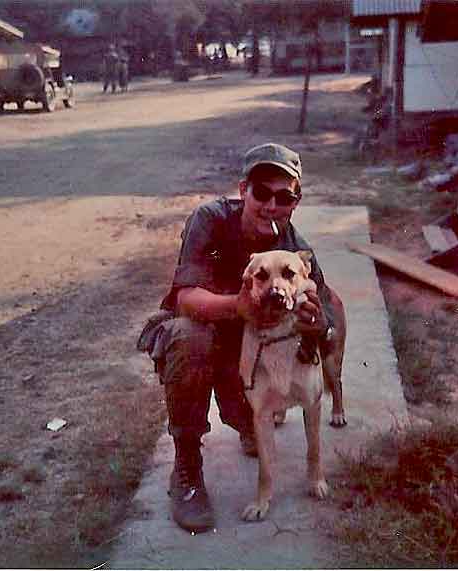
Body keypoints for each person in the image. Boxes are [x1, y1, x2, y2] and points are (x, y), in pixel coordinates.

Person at [137, 143, 339, 533]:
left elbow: (328, 326)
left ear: (295, 202)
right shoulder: (210, 220)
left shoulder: (297, 251)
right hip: (208, 335)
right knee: (188, 335)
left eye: (284, 197)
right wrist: (239, 307)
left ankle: (245, 422)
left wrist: (316, 322)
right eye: (261, 192)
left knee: (255, 418)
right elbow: (185, 298)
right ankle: (187, 468)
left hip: (250, 356)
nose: (271, 206)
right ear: (243, 189)